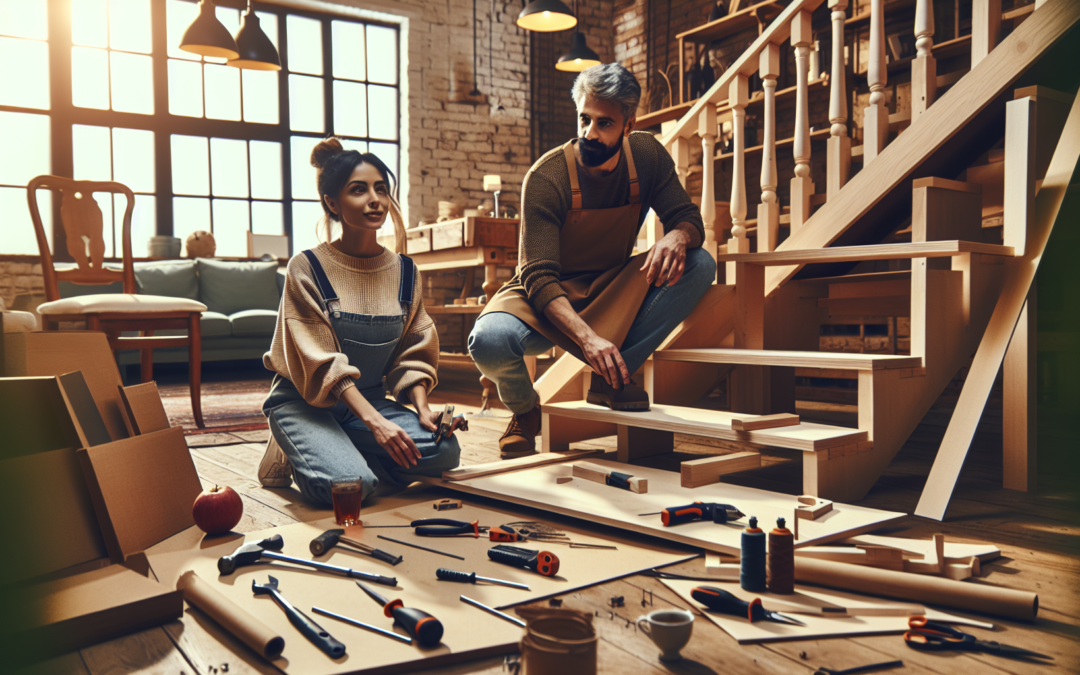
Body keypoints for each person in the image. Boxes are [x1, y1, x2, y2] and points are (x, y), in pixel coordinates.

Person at [469, 63, 716, 458]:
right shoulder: (546, 177)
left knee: (700, 264)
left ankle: (609, 380)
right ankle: (524, 410)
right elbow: (538, 277)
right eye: (584, 119)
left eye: (604, 124)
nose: (589, 133)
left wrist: (678, 235)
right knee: (489, 341)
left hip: (611, 285)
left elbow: (689, 218)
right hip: (544, 294)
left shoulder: (647, 157)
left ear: (629, 125)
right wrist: (588, 338)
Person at [257, 138, 462, 506]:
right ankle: (295, 441)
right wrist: (376, 425)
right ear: (332, 203)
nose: (375, 199)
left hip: (369, 400)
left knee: (445, 453)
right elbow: (319, 360)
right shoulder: (305, 268)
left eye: (381, 189)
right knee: (351, 486)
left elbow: (413, 352)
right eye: (359, 190)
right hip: (305, 401)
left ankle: (342, 446)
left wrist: (422, 408)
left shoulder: (405, 271)